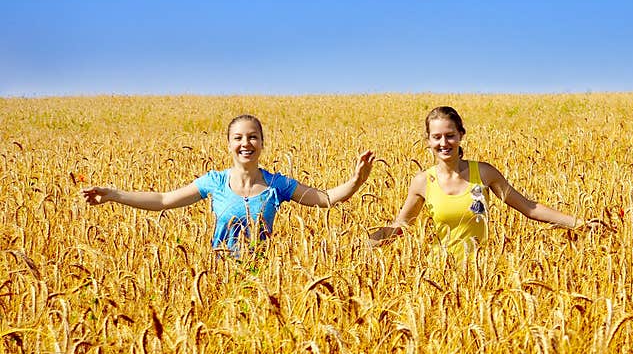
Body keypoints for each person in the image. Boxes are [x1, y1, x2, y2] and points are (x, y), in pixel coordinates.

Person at [82, 114, 375, 257]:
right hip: (219, 277)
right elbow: (163, 200)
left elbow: (324, 199)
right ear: (229, 144)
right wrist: (114, 195)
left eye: (252, 137)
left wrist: (357, 180)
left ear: (262, 143)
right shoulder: (215, 182)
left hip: (266, 282)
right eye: (238, 138)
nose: (245, 144)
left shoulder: (277, 185)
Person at [369, 105, 598, 260]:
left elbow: (529, 208)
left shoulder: (484, 173)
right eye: (436, 137)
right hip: (439, 274)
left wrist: (579, 223)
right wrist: (359, 245)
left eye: (450, 135)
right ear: (428, 141)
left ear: (461, 135)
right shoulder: (422, 182)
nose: (444, 142)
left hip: (482, 274)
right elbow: (400, 226)